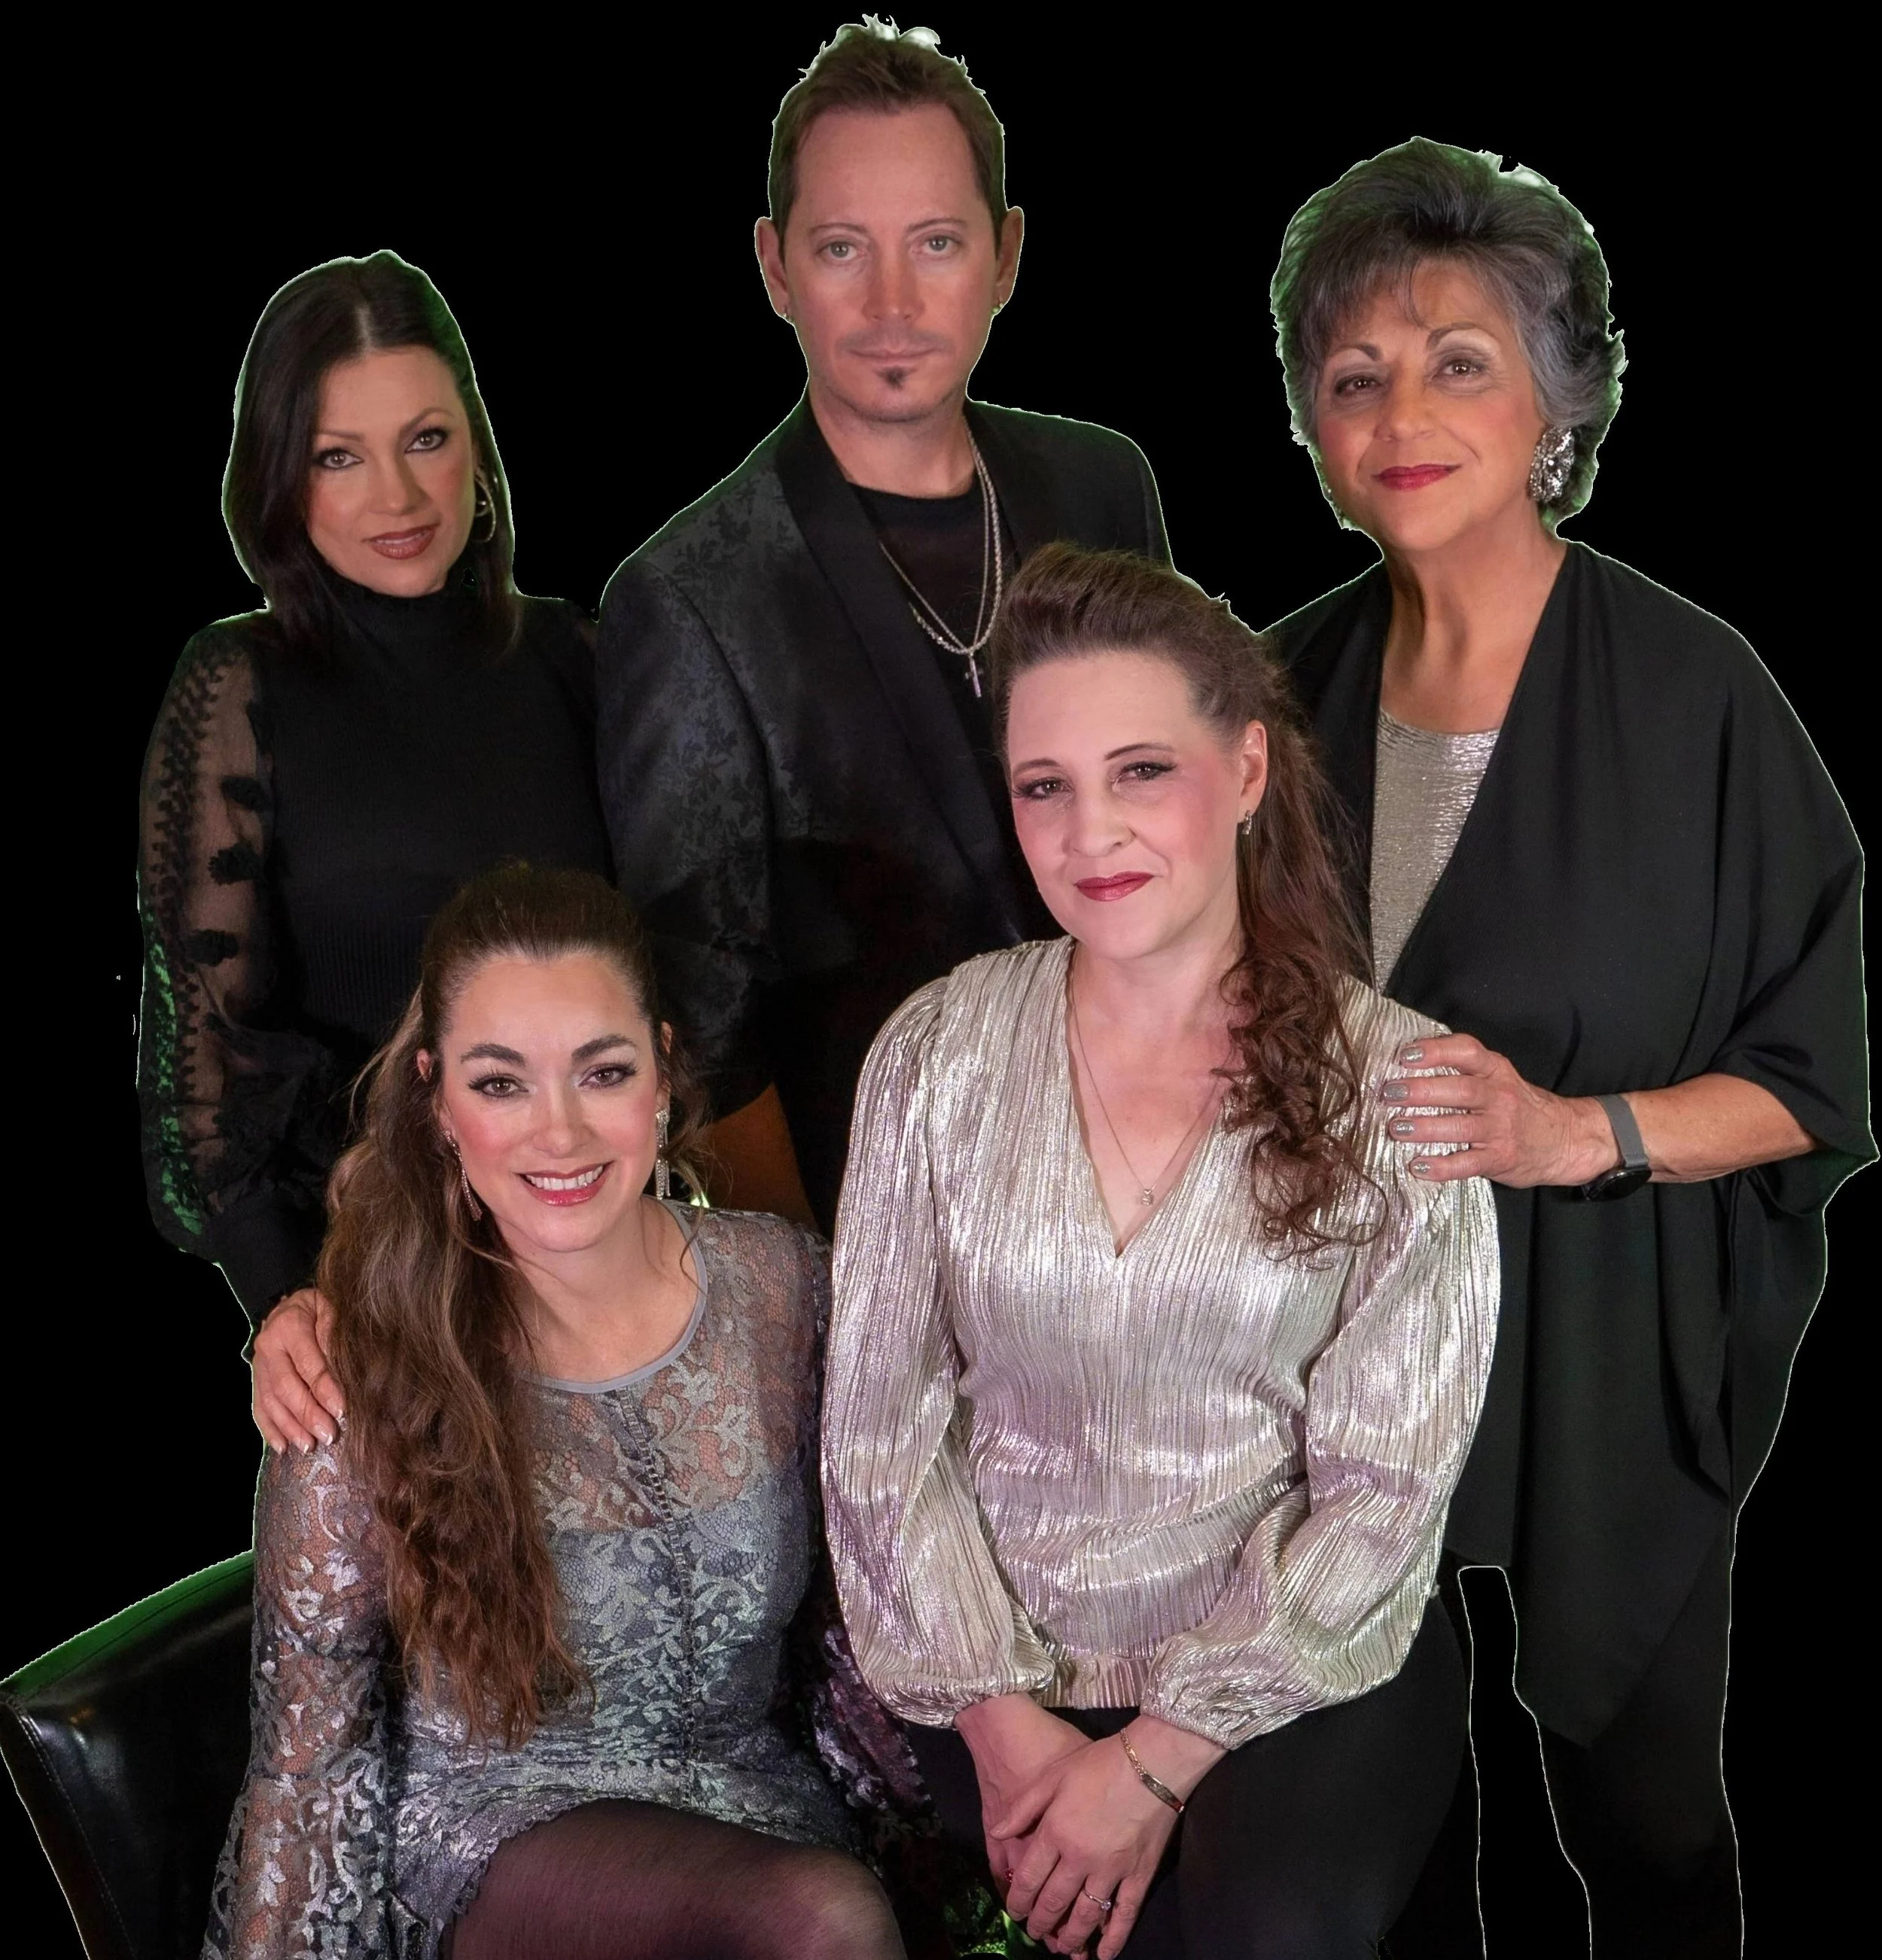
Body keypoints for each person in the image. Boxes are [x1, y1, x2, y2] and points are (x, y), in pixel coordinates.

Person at [1262, 138, 1871, 1955]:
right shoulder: (1268, 694)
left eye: (1457, 362)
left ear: (1555, 402)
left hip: (1604, 1332)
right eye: (1354, 375)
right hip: (1335, 1361)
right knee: (1375, 1827)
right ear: (1308, 422)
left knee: (1645, 1819)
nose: (1400, 416)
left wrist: (1572, 1134)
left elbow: (1804, 1084)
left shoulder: (1697, 699)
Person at [822, 545, 1500, 1960]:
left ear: (1246, 770)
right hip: (1000, 1668)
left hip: (1299, 1656)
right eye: (1045, 787)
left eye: (1141, 771)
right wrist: (1004, 1727)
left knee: (1258, 1934)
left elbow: (1386, 1495)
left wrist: (1153, 1760)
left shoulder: (1400, 1088)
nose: (1092, 835)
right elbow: (880, 1442)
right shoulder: (936, 1055)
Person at [205, 864, 912, 1960]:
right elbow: (308, 1769)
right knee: (820, 1920)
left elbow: (866, 1610)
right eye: (502, 1084)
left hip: (765, 1814)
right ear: (438, 1102)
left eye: (603, 1072)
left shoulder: (787, 1288)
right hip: (500, 1846)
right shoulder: (362, 1368)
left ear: (663, 1074)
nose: (561, 1133)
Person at [596, 21, 1171, 1229]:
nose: (893, 303)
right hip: (894, 1232)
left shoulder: (1105, 487)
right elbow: (706, 1031)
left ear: (1007, 256)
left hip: (1164, 1175)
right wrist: (824, 1295)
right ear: (775, 267)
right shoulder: (689, 597)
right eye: (843, 248)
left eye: (938, 243)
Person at [136, 251, 612, 1454]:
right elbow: (199, 1069)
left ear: (477, 448)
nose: (397, 495)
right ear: (280, 479)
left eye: (426, 440)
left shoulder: (573, 658)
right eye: (338, 457)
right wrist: (287, 1300)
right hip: (379, 1300)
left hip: (596, 1263)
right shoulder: (239, 685)